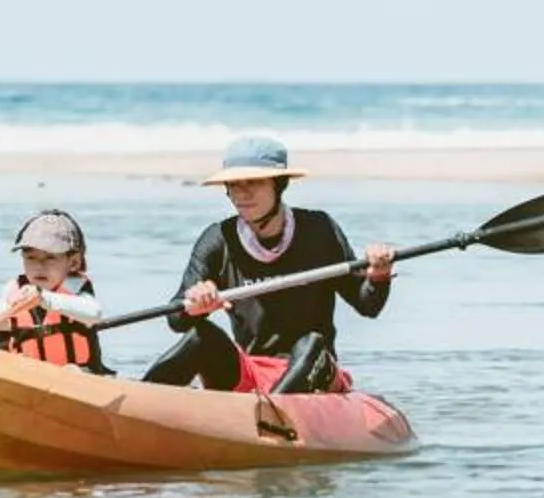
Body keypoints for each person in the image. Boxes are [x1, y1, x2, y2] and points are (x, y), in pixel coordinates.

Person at [143, 135, 392, 394]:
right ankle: (136, 405)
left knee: (311, 342)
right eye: (234, 184)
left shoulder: (319, 230)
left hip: (314, 369)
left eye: (254, 182)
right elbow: (175, 318)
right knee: (201, 336)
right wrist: (193, 307)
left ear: (279, 184)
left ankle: (270, 417)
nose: (242, 193)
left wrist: (378, 276)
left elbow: (367, 305)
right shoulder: (218, 240)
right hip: (250, 372)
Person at [0, 208, 107, 373]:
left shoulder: (76, 298)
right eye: (30, 258)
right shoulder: (17, 299)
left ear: (73, 263)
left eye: (50, 257)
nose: (39, 266)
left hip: (82, 380)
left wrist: (43, 299)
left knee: (72, 370)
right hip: (33, 382)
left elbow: (95, 313)